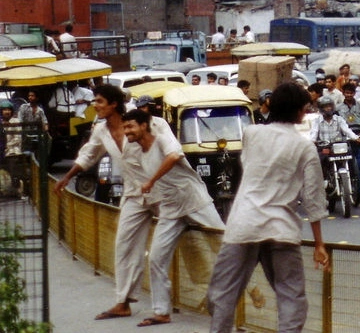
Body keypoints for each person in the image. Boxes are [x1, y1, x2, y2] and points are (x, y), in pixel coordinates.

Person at [207, 83, 329, 333]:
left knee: (223, 293)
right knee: (291, 296)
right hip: (280, 229)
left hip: (244, 225)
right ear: (299, 112)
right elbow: (313, 197)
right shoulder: (304, 146)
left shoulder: (252, 134)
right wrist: (319, 244)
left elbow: (249, 164)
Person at [53, 85, 160, 320]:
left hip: (162, 189)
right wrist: (68, 177)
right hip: (134, 192)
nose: (95, 105)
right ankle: (123, 301)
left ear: (113, 104)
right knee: (123, 245)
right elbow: (89, 154)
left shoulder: (141, 121)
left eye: (99, 101)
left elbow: (168, 150)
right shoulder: (101, 130)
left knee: (204, 231)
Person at [120, 109, 225, 327]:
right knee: (157, 258)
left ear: (143, 126)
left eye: (130, 126)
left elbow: (174, 155)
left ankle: (251, 291)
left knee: (224, 245)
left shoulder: (161, 139)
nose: (126, 131)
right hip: (170, 208)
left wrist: (151, 181)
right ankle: (161, 311)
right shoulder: (137, 152)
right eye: (124, 127)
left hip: (194, 200)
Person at [337, 83, 360, 204]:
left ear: (354, 93)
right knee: (347, 167)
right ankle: (347, 191)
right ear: (343, 93)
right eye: (346, 93)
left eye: (351, 93)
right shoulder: (338, 108)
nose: (349, 95)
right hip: (345, 140)